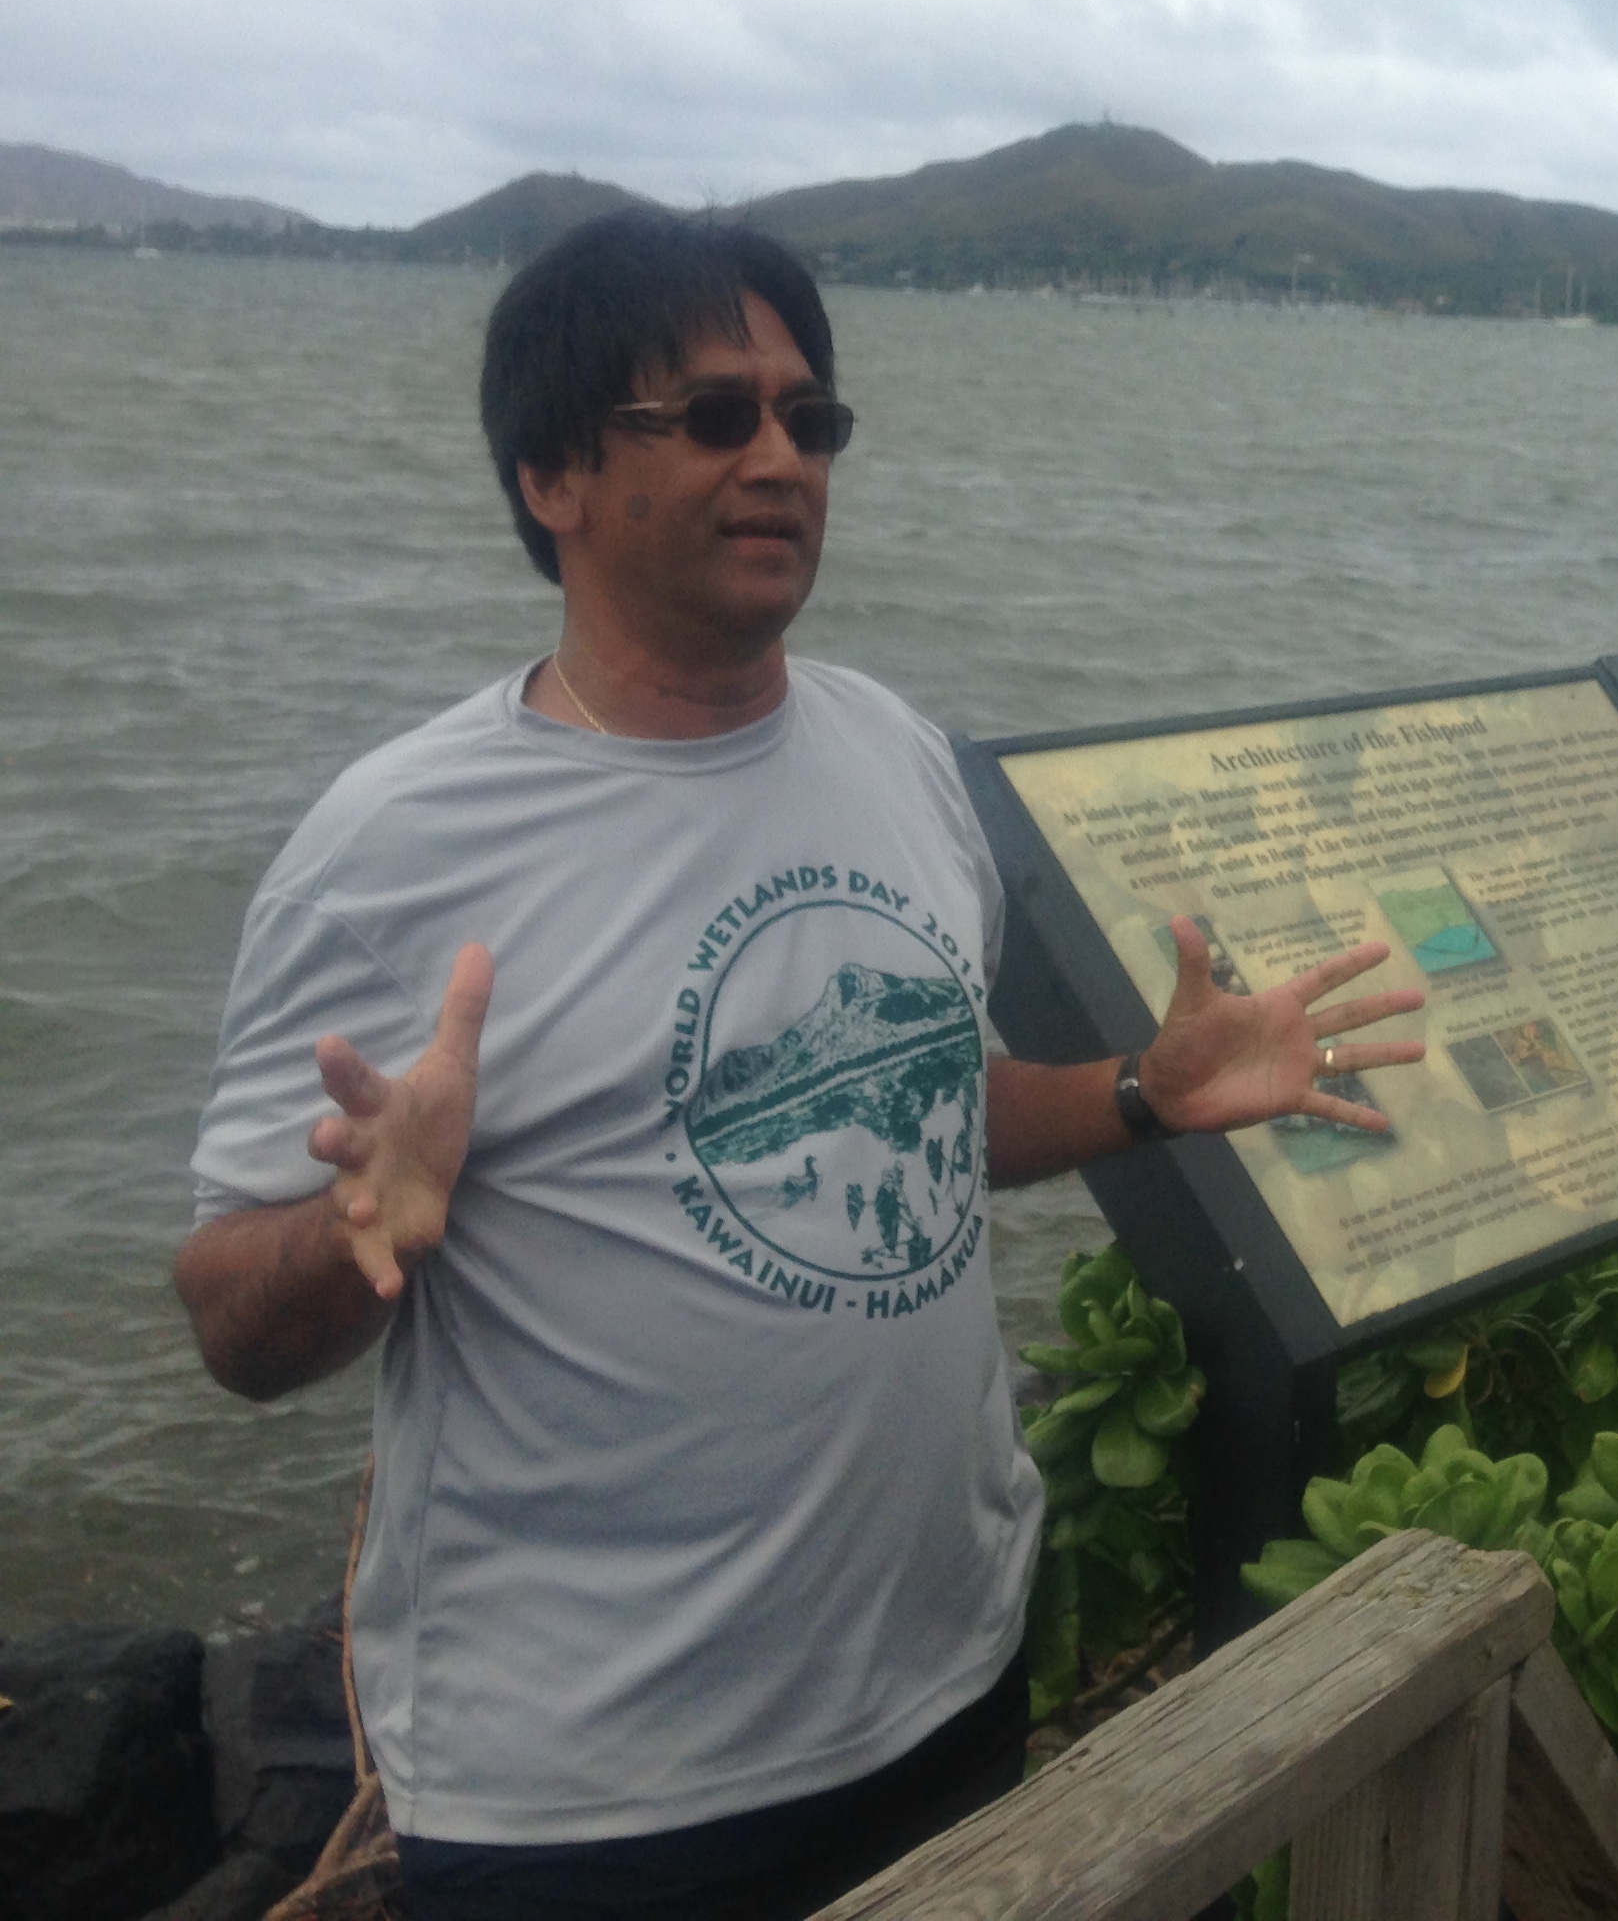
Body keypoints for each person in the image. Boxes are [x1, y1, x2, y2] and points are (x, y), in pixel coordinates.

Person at [174, 210, 1425, 1921]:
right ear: (551, 476)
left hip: (947, 1680)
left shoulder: (895, 755)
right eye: (710, 417)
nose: (779, 457)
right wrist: (355, 1232)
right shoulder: (393, 846)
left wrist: (1140, 1091)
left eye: (809, 418)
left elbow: (927, 1105)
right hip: (590, 1789)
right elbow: (228, 1324)